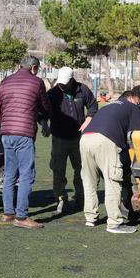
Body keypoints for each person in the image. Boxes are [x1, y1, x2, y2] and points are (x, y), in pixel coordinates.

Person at [0, 55, 52, 229]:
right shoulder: (36, 82)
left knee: (10, 173)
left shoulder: (5, 81)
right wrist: (46, 118)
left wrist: (5, 122)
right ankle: (22, 216)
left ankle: (9, 212)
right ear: (33, 67)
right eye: (37, 69)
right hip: (24, 134)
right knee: (26, 175)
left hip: (6, 133)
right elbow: (45, 106)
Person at [79, 85, 140, 234]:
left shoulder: (110, 105)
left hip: (85, 138)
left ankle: (90, 218)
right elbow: (135, 137)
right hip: (105, 140)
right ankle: (114, 223)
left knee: (89, 180)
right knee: (113, 180)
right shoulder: (133, 108)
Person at [45, 66, 97, 213]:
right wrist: (44, 124)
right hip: (59, 138)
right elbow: (42, 110)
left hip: (79, 138)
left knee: (81, 169)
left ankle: (80, 197)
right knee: (58, 169)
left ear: (72, 79)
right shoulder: (53, 93)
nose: (62, 85)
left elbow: (93, 107)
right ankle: (61, 198)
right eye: (60, 83)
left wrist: (87, 122)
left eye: (65, 83)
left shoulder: (83, 90)